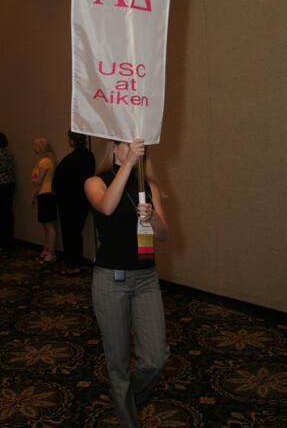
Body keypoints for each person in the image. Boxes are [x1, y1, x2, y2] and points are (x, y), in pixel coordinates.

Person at [84, 138, 169, 428]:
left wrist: (153, 217)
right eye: (126, 143)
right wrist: (129, 164)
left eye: (137, 145)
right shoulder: (95, 181)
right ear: (113, 147)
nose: (134, 147)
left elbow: (164, 233)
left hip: (146, 278)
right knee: (119, 364)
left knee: (155, 360)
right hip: (111, 280)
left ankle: (125, 399)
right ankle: (128, 418)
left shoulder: (149, 185)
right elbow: (107, 207)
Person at [51, 131, 95, 276]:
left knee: (69, 234)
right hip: (83, 201)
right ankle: (78, 262)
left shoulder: (69, 159)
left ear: (72, 141)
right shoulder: (89, 157)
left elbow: (56, 182)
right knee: (77, 233)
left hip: (68, 203)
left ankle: (72, 265)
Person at [32, 137, 57, 263]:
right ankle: (46, 249)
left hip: (46, 194)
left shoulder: (44, 162)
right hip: (44, 194)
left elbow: (38, 182)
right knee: (45, 225)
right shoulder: (44, 161)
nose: (34, 148)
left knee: (49, 225)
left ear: (41, 147)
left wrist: (34, 179)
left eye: (36, 146)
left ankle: (51, 252)